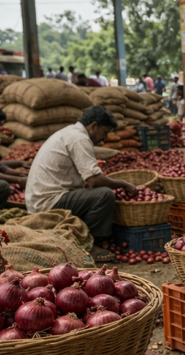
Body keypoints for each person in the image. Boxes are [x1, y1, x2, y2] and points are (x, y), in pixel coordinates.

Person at [25, 107, 137, 261]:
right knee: (104, 195)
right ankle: (89, 244)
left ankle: (88, 237)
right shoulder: (79, 138)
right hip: (48, 202)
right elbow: (94, 179)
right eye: (104, 132)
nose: (104, 138)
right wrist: (123, 184)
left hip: (42, 199)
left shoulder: (69, 132)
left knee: (96, 192)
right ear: (93, 126)